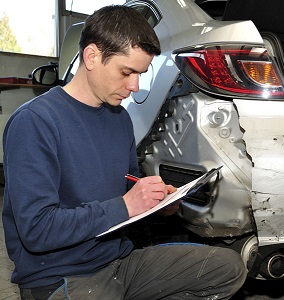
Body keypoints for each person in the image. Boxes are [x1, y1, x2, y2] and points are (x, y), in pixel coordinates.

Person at [2, 5, 247, 300]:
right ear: (92, 56)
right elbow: (37, 230)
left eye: (140, 74)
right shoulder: (35, 122)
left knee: (227, 268)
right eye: (126, 72)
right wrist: (127, 205)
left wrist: (156, 203)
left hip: (120, 262)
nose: (134, 86)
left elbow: (128, 189)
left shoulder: (119, 119)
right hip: (63, 275)